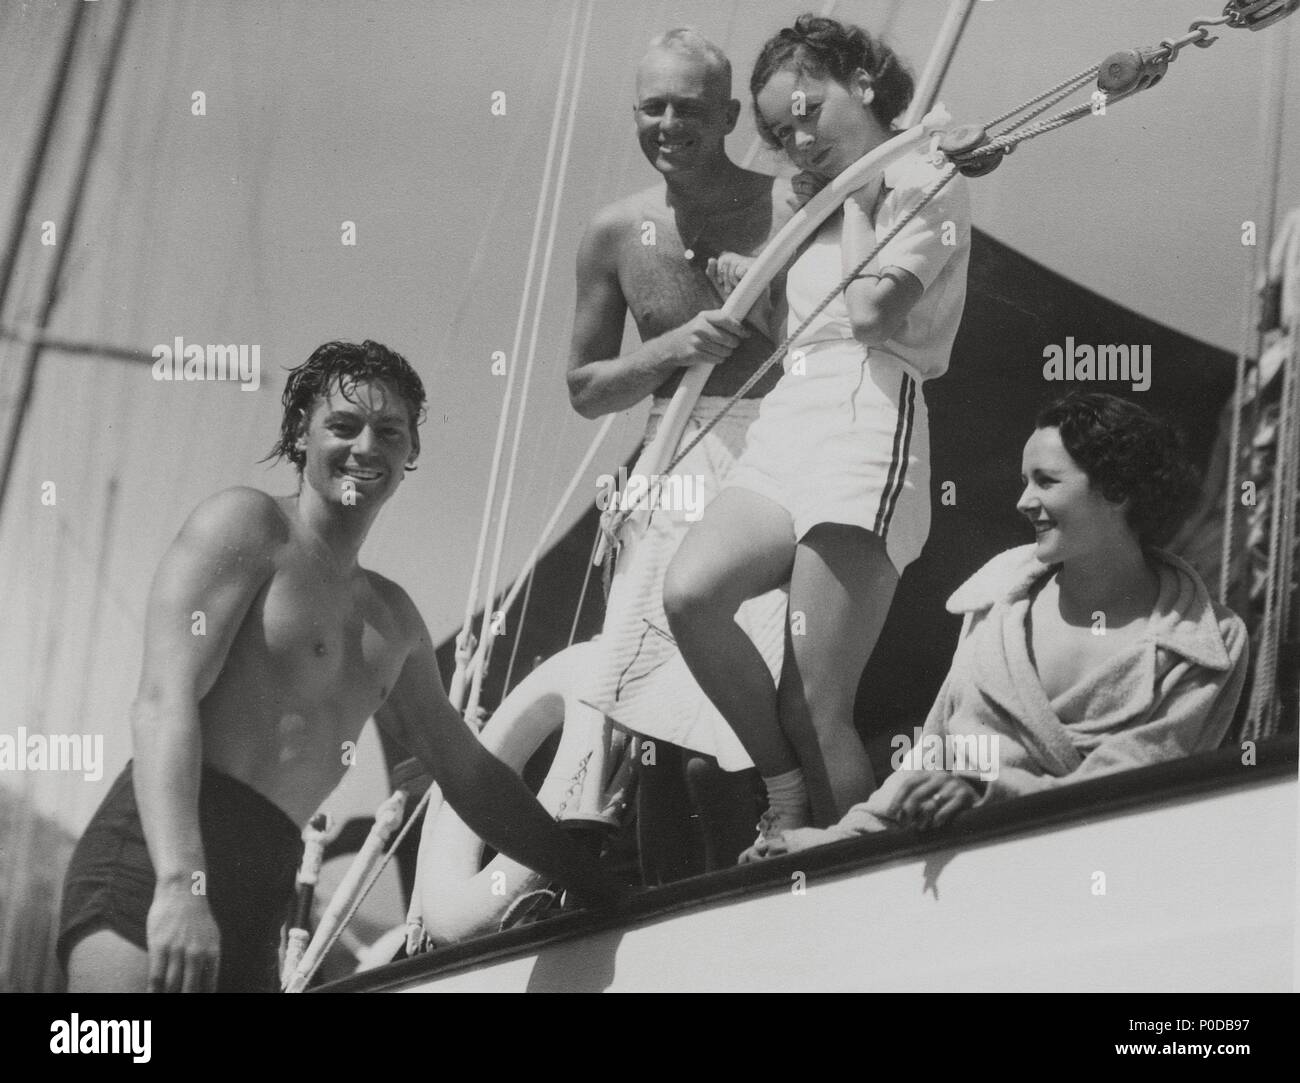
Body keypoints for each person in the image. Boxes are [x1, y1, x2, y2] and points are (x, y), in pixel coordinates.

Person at [57, 340, 620, 992]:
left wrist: (592, 882)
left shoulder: (394, 622)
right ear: (302, 433)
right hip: (158, 863)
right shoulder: (249, 528)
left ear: (410, 453)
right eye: (343, 425)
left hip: (260, 893)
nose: (365, 447)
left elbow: (469, 775)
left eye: (389, 431)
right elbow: (162, 700)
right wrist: (180, 885)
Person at [663, 14, 971, 845]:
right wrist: (758, 293)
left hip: (870, 424)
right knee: (690, 593)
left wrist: (863, 204)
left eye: (808, 111)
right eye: (779, 129)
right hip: (789, 429)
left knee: (813, 697)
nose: (797, 140)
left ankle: (851, 869)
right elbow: (812, 329)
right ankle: (784, 786)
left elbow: (872, 314)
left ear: (862, 85)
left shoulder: (928, 175)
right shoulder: (816, 206)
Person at [751, 392, 1250, 859]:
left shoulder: (1207, 641)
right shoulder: (997, 595)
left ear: (1116, 490)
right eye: (1024, 481)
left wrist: (986, 797)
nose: (1023, 501)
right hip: (961, 869)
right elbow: (933, 756)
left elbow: (1138, 783)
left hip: (1097, 883)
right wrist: (828, 843)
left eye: (1046, 481)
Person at [568, 28, 797, 880]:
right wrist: (672, 350)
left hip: (778, 442)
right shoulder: (613, 232)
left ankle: (780, 849)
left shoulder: (789, 207)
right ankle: (665, 892)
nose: (669, 123)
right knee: (650, 705)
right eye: (653, 107)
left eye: (691, 109)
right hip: (673, 455)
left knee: (770, 684)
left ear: (732, 115)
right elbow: (586, 385)